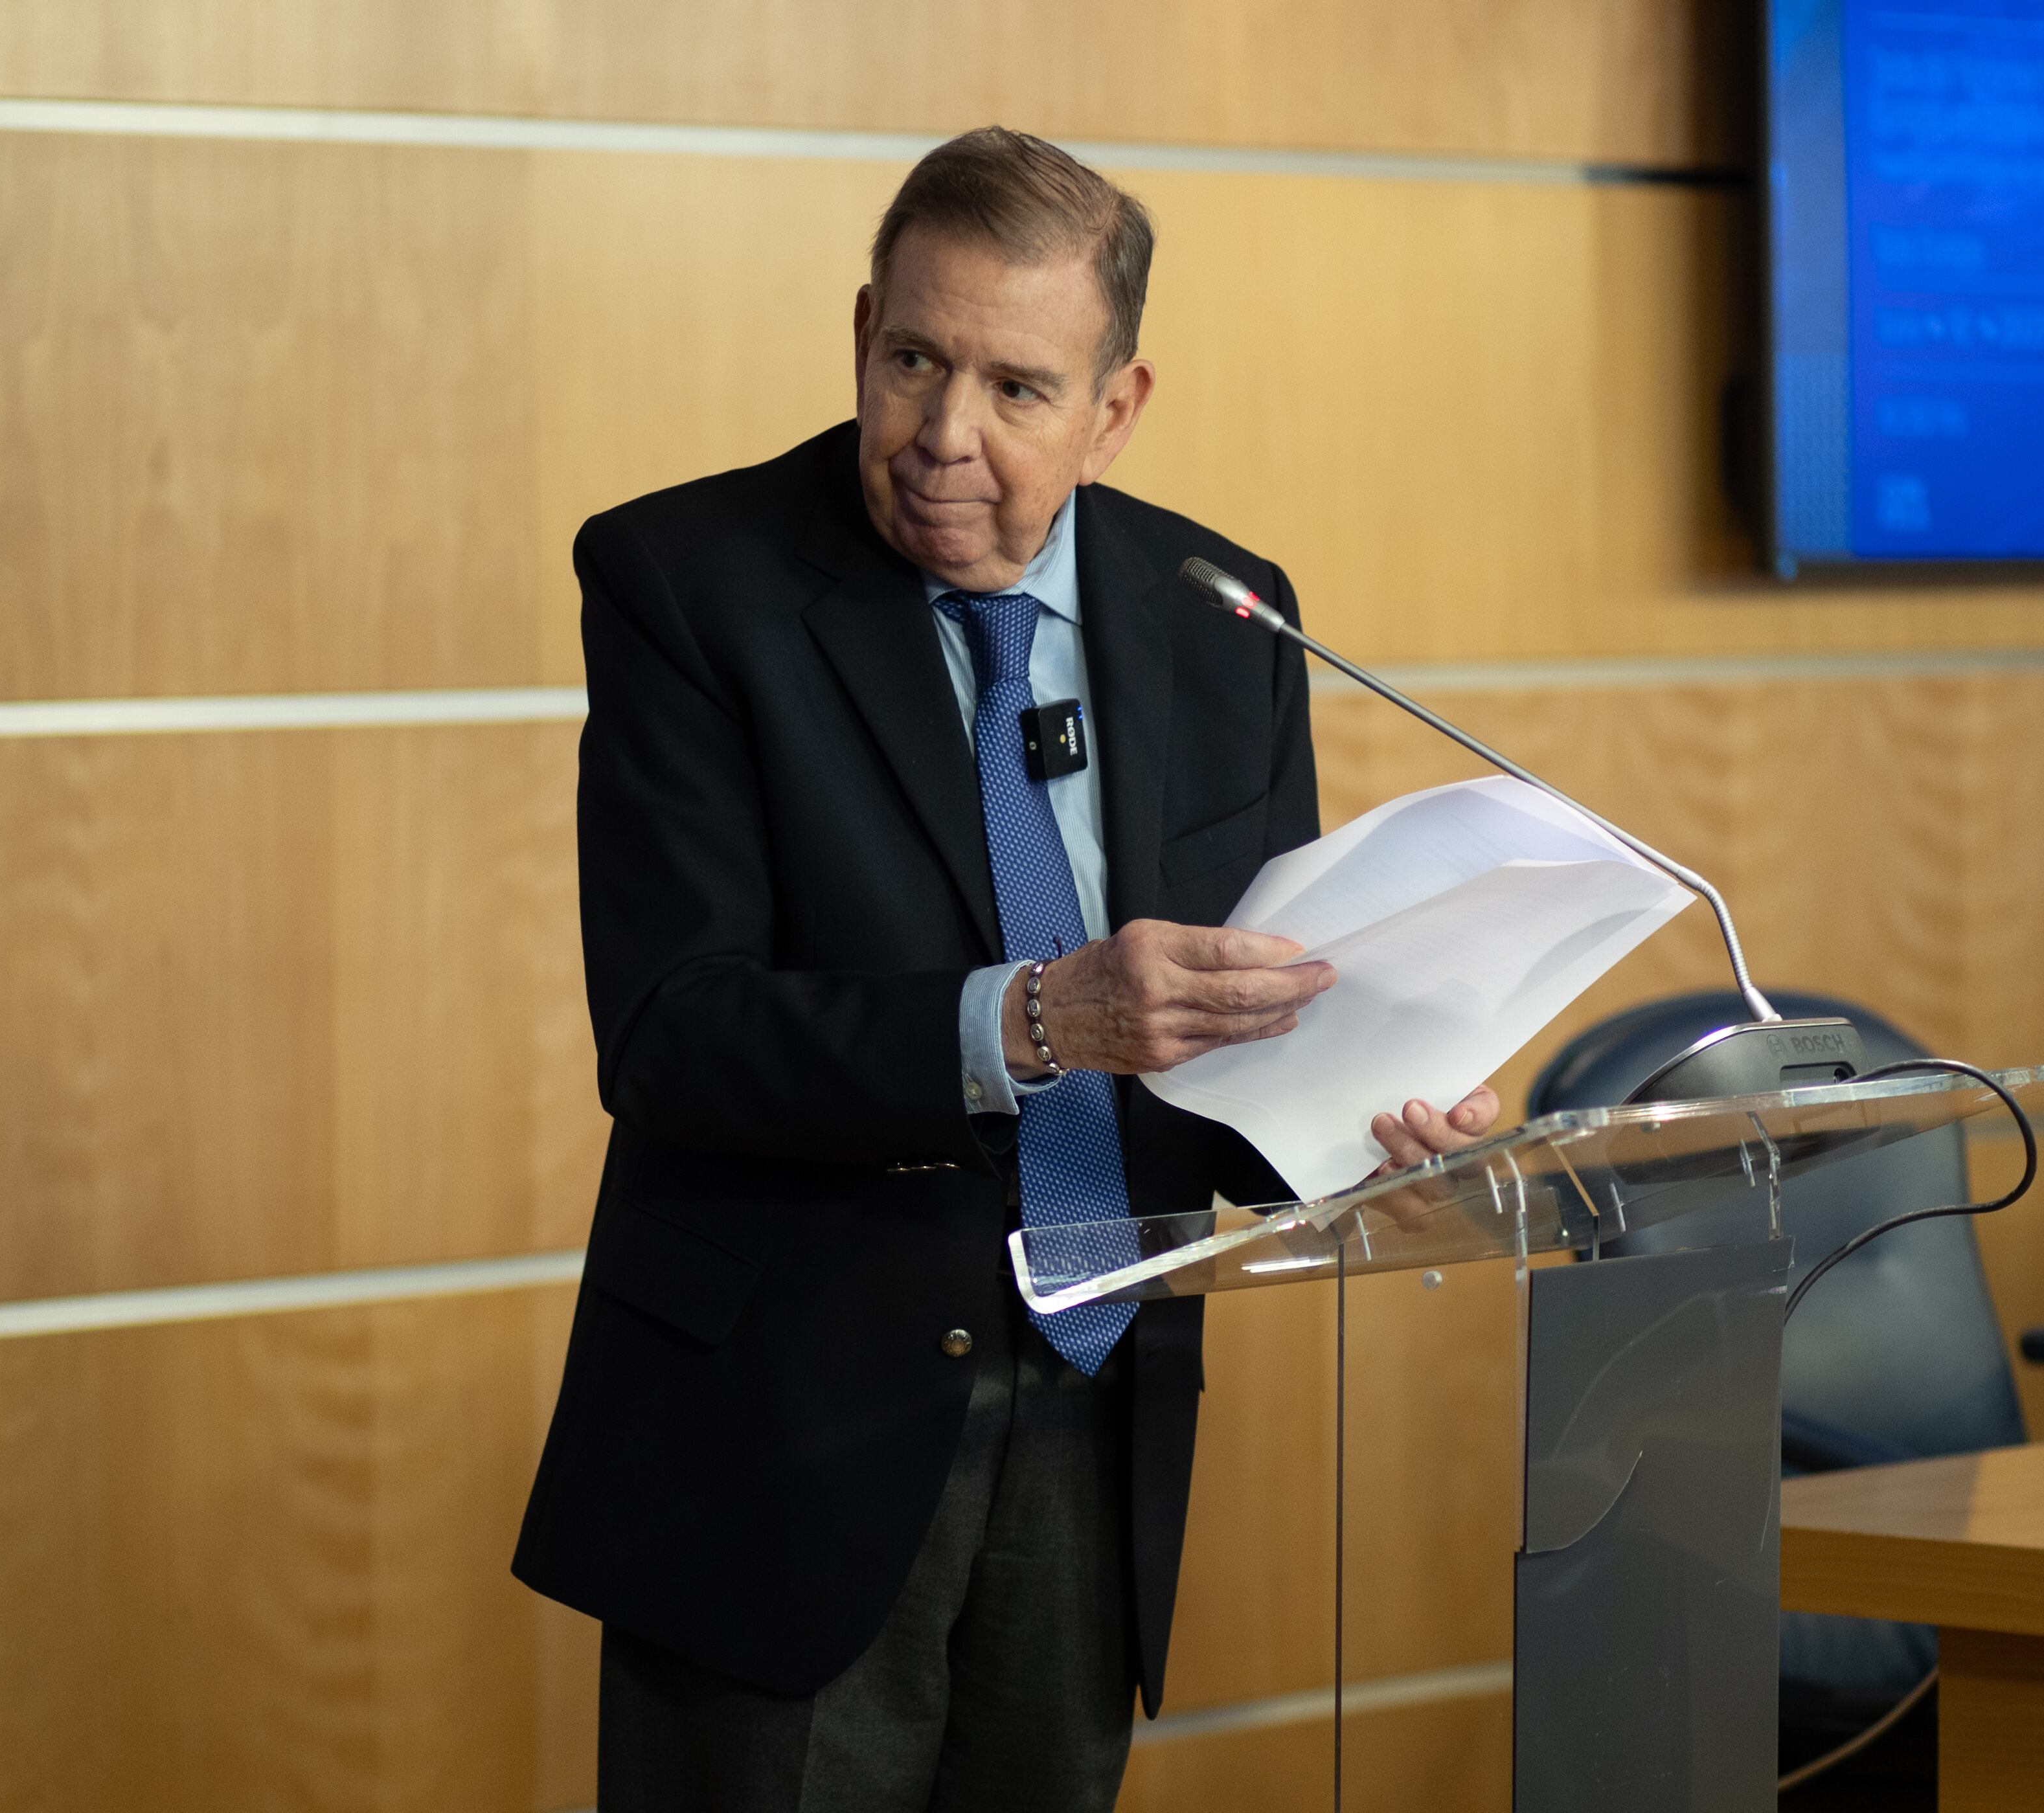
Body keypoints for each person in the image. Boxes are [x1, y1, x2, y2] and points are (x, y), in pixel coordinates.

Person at [512, 126, 1496, 1813]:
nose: (944, 436)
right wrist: (1031, 1021)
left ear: (1117, 408)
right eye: (912, 361)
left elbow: (1247, 1025)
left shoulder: (1223, 615)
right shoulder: (693, 583)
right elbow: (676, 1035)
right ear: (860, 332)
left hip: (1104, 1410)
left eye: (1018, 389)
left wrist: (1374, 1136)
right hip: (789, 1440)